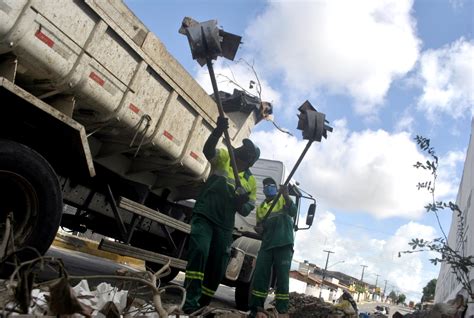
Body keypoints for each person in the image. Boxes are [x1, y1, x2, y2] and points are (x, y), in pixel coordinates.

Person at [183, 116, 260, 314]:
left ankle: (203, 304)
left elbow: (245, 210)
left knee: (218, 266)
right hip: (206, 215)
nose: (240, 151)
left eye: (245, 152)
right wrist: (217, 131)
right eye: (241, 149)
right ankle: (190, 302)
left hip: (225, 225)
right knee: (199, 251)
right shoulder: (225, 158)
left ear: (249, 160)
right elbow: (208, 151)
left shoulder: (251, 183)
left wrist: (240, 202)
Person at [249, 177, 297, 317]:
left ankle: (281, 310)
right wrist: (259, 229)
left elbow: (293, 212)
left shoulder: (282, 199)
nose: (267, 187)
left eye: (270, 185)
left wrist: (286, 196)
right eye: (265, 186)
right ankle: (256, 308)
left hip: (283, 243)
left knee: (282, 278)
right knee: (260, 277)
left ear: (276, 188)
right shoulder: (261, 208)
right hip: (267, 245)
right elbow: (260, 227)